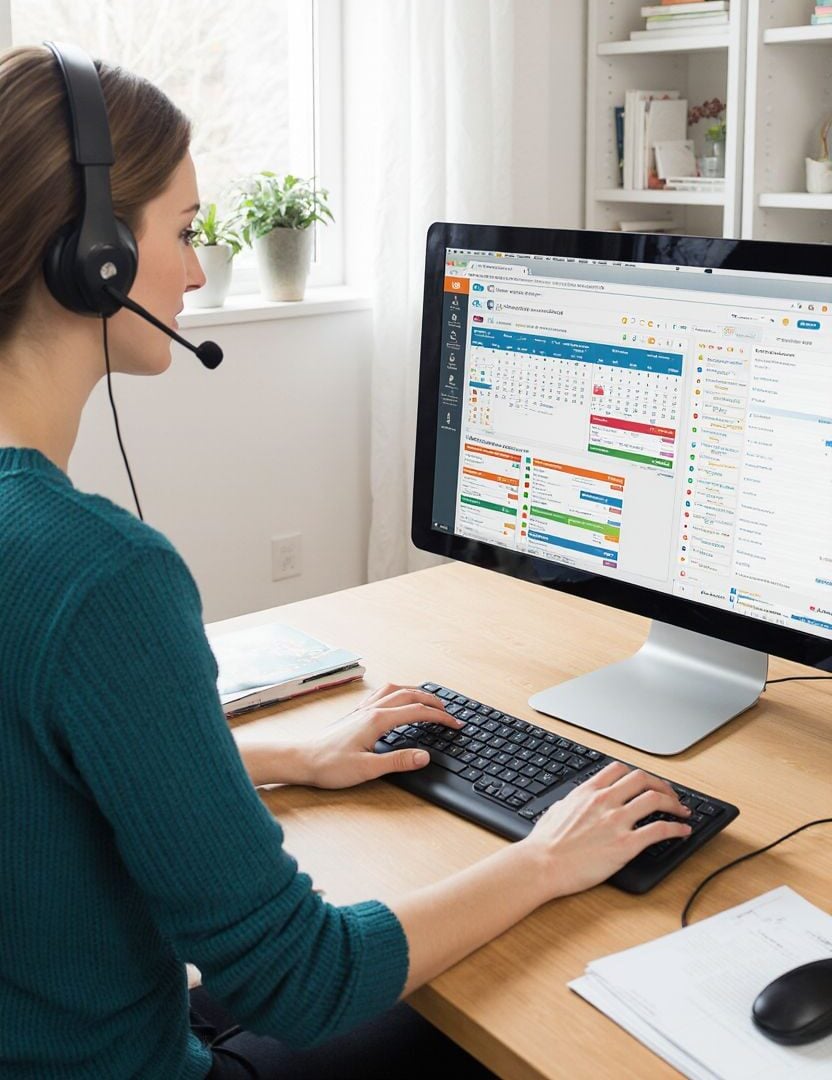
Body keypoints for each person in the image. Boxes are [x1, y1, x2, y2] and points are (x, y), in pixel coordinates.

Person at [0, 44, 694, 1080]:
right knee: (518, 1028)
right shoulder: (102, 576)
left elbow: (42, 796)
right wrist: (547, 857)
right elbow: (304, 979)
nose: (195, 271)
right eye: (184, 234)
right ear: (88, 254)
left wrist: (285, 759)